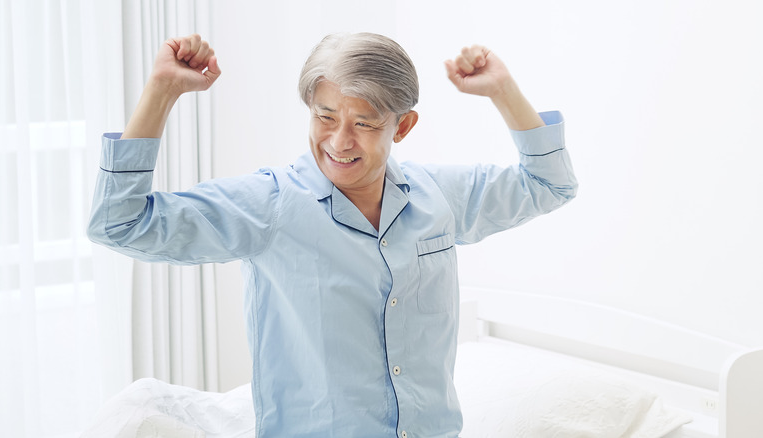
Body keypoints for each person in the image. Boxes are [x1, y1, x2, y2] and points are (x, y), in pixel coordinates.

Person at [88, 32, 578, 438]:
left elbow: (549, 183)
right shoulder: (270, 206)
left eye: (364, 123)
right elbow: (120, 224)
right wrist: (161, 92)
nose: (339, 141)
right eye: (325, 116)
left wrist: (502, 90)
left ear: (402, 126)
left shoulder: (438, 198)